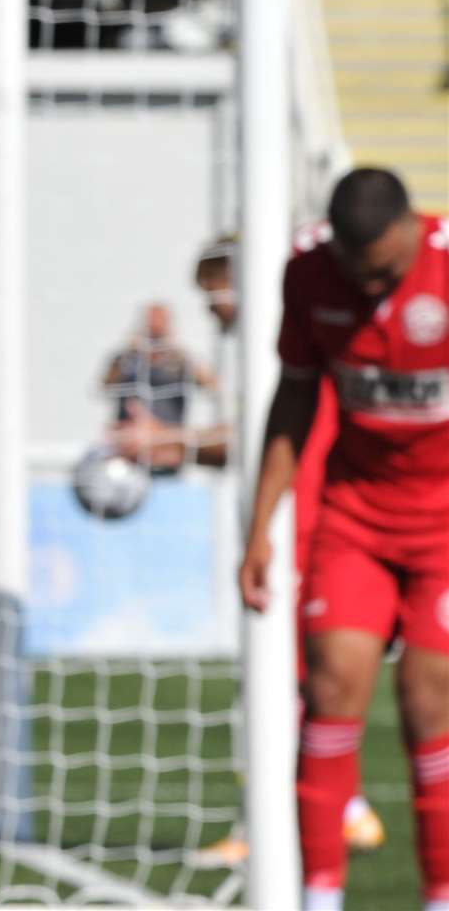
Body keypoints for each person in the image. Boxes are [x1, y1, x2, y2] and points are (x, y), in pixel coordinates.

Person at [120, 237, 386, 867]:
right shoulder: (274, 345)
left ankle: (298, 818)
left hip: (309, 523)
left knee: (282, 679)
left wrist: (168, 440)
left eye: (212, 290)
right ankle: (340, 809)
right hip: (298, 520)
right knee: (294, 677)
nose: (209, 308)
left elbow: (259, 439)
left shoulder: (281, 346)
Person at [240, 169, 449, 911]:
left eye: (386, 270)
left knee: (431, 701)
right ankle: (319, 897)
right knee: (331, 684)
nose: (371, 285)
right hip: (356, 517)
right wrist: (260, 524)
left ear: (410, 230)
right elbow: (295, 393)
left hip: (445, 525)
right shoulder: (308, 274)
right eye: (358, 270)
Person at [102, 301, 213, 433]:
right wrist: (129, 352)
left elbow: (210, 385)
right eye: (151, 320)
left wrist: (181, 355)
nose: (155, 326)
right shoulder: (126, 359)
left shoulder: (180, 360)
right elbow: (105, 385)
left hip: (167, 436)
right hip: (129, 434)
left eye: (160, 320)